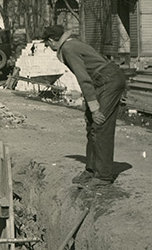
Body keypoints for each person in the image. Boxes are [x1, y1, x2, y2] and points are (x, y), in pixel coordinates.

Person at [41, 25, 126, 188]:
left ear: (52, 41)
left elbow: (83, 78)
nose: (48, 47)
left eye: (47, 44)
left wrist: (94, 108)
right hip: (101, 81)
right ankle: (92, 169)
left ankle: (103, 176)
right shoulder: (70, 44)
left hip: (109, 81)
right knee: (91, 125)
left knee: (100, 125)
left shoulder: (68, 48)